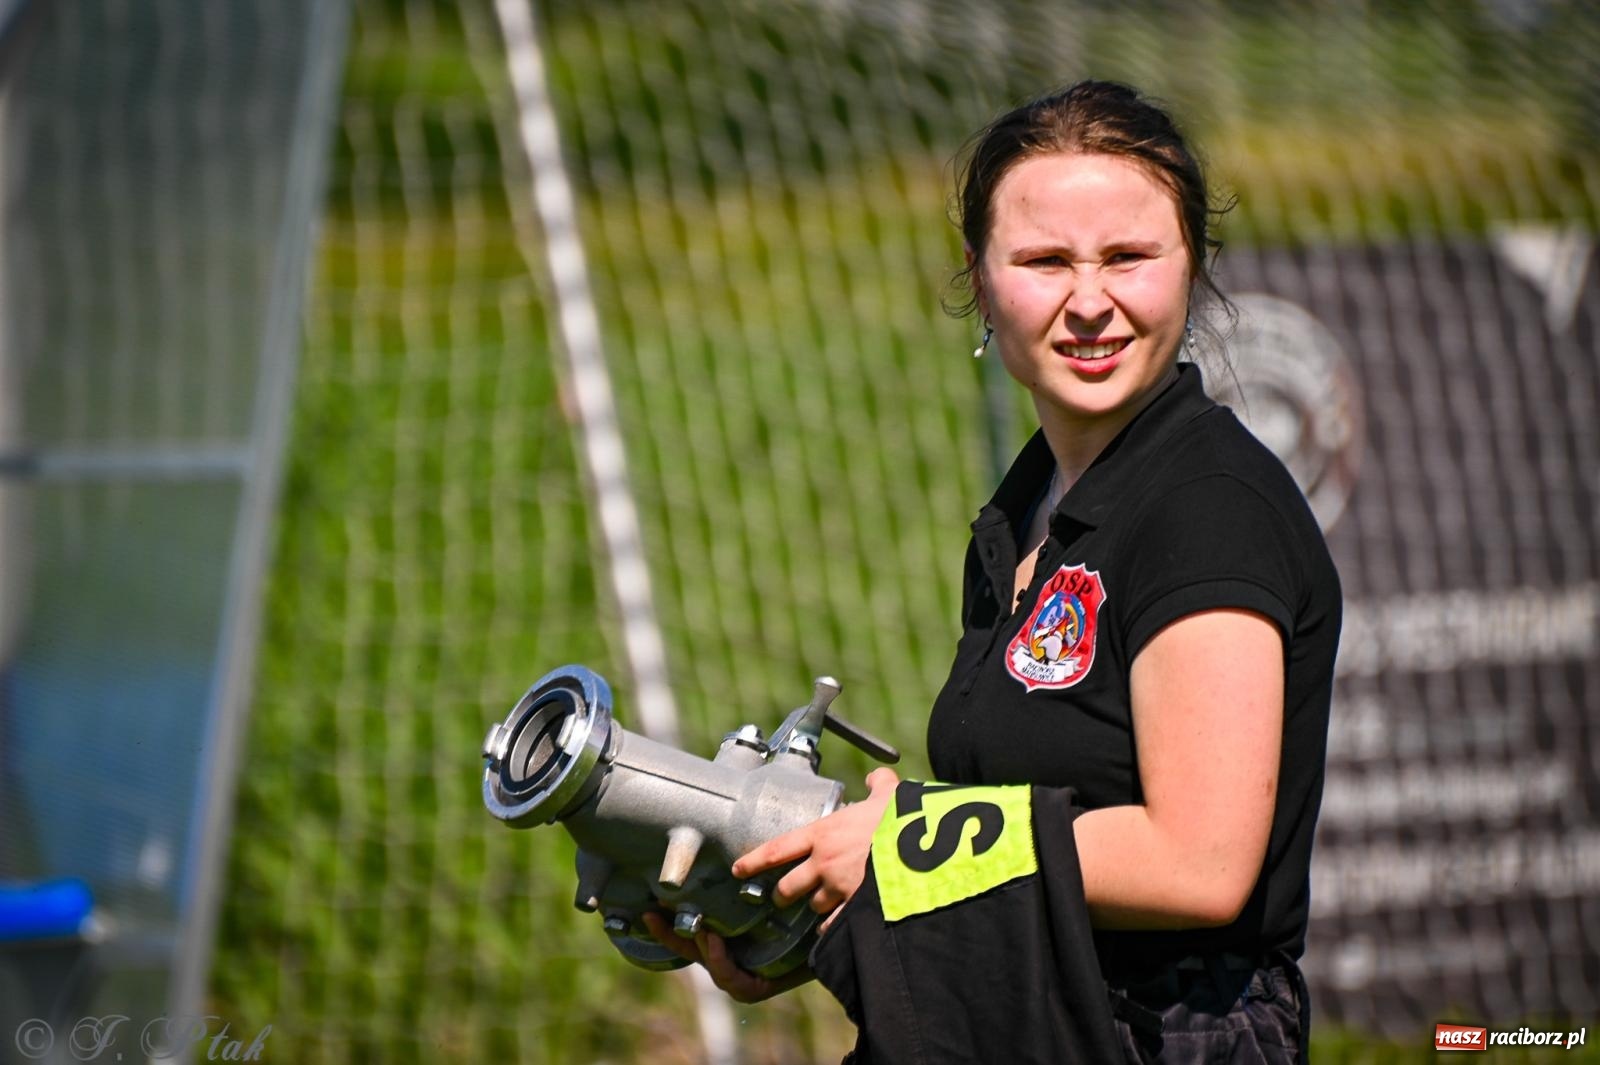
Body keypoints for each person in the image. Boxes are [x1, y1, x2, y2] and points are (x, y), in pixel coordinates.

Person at [643, 80, 1341, 1063]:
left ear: (1192, 267)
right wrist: (807, 920)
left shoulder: (1207, 509)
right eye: (1044, 260)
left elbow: (1199, 861)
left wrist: (905, 840)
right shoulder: (1029, 511)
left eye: (1128, 257)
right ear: (979, 281)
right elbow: (1037, 855)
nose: (1088, 300)